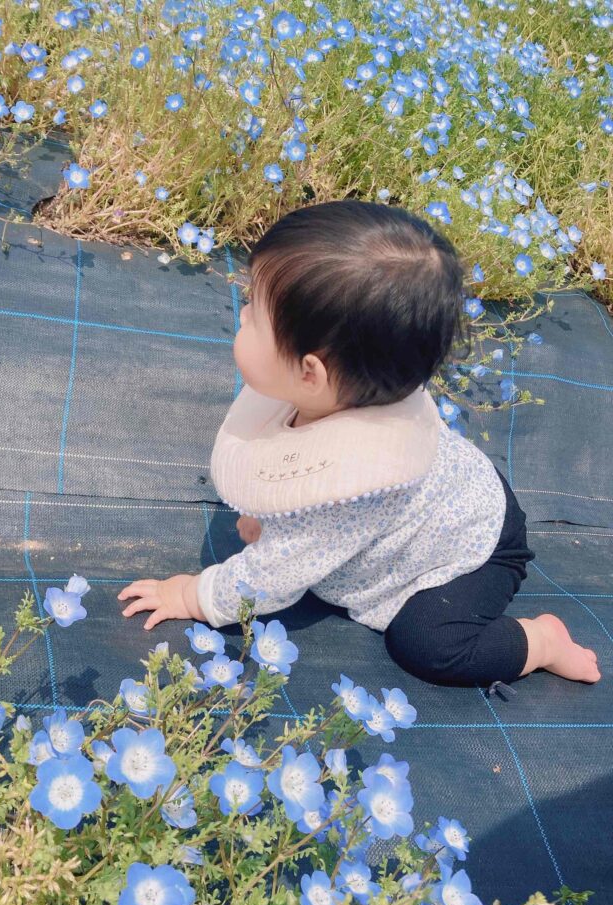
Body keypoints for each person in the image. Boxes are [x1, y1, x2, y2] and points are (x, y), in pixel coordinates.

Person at [118, 200, 600, 687]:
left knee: (427, 645)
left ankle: (540, 642)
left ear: (311, 372)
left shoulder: (348, 488)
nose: (242, 315)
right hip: (453, 498)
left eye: (255, 314)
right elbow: (284, 470)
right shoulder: (334, 397)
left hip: (477, 546)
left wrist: (191, 597)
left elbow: (269, 580)